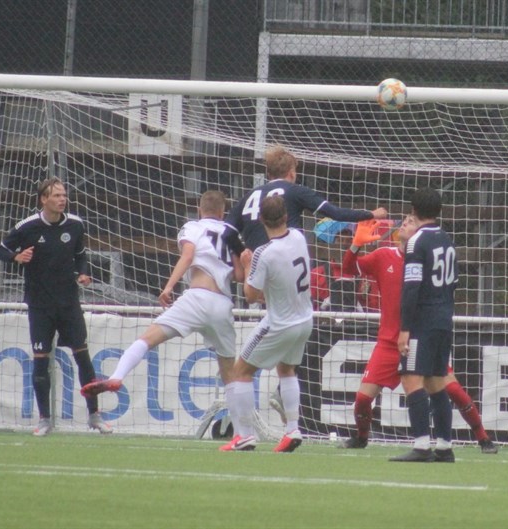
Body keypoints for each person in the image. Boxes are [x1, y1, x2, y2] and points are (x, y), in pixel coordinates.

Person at [341, 216, 497, 453]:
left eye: (412, 221)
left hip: (421, 338)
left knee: (453, 390)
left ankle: (483, 438)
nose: (405, 223)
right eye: (405, 220)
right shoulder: (384, 256)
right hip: (389, 342)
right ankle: (361, 438)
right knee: (363, 399)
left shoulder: (427, 259)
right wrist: (355, 246)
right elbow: (348, 269)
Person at [81, 190, 245, 397]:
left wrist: (168, 287)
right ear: (222, 212)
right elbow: (239, 275)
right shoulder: (231, 234)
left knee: (146, 340)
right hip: (221, 304)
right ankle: (241, 418)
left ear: (199, 210)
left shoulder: (193, 227)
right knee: (230, 375)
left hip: (197, 298)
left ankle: (116, 376)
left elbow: (188, 256)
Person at [0, 178, 112, 436]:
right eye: (57, 195)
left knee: (83, 357)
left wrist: (83, 273)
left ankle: (94, 415)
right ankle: (44, 419)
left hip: (69, 303)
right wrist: (16, 256)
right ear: (44, 199)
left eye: (64, 195)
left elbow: (80, 255)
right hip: (40, 305)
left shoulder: (75, 224)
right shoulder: (27, 227)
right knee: (41, 360)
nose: (62, 199)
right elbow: (0, 250)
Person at [220, 195, 313, 452]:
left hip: (280, 323)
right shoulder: (298, 236)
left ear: (261, 219)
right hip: (305, 319)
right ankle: (292, 429)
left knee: (241, 371)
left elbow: (250, 296)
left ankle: (245, 435)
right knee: (287, 369)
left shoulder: (264, 253)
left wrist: (247, 265)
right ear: (286, 217)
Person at [391, 188, 458, 463]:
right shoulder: (447, 239)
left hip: (423, 321)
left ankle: (421, 445)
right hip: (444, 318)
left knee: (411, 378)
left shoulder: (416, 242)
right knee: (435, 381)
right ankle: (444, 446)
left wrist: (405, 328)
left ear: (414, 210)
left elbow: (411, 287)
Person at [227, 145, 387, 251]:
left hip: (256, 268)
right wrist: (370, 214)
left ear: (269, 174)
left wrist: (244, 255)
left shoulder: (248, 196)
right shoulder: (296, 191)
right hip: (285, 262)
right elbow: (336, 213)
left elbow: (227, 234)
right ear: (292, 173)